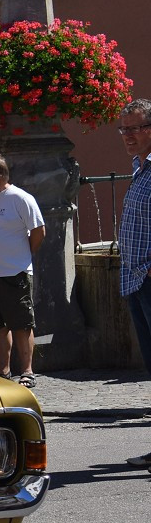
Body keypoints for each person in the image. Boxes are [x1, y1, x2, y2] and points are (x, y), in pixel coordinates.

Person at [0, 154, 45, 389]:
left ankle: (27, 371)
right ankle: (2, 370)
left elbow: (38, 231)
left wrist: (23, 256)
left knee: (21, 324)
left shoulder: (20, 198)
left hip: (15, 271)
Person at [115, 98, 151, 468]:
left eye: (136, 127)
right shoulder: (140, 168)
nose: (128, 135)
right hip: (137, 280)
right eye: (124, 129)